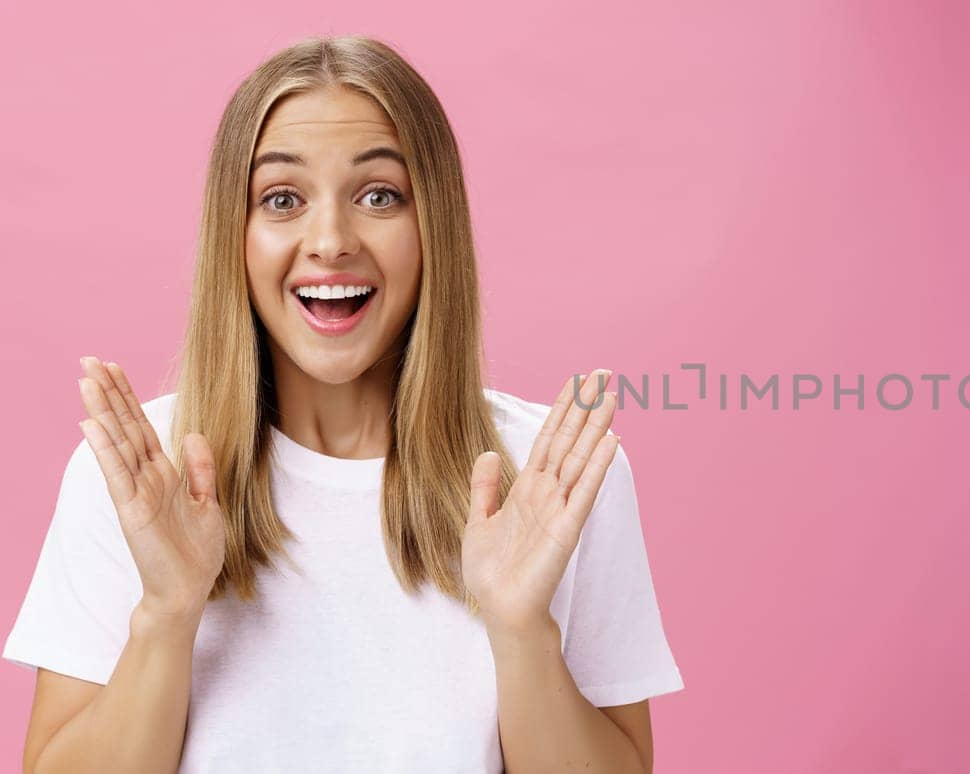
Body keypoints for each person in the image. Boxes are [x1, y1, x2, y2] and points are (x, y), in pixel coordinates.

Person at [2, 35, 683, 773]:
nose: (329, 241)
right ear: (236, 233)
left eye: (379, 195)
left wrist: (522, 633)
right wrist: (165, 617)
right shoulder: (140, 479)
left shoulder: (555, 481)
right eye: (282, 199)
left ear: (435, 228)